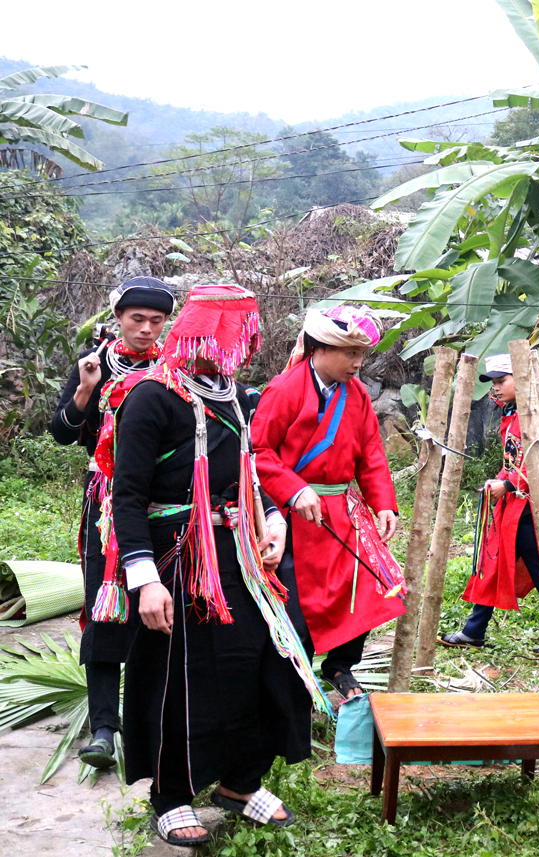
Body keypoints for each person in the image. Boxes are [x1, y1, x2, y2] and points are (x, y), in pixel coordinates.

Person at [112, 284, 329, 847]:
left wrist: (274, 518)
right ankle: (171, 794)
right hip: (176, 557)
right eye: (240, 334)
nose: (248, 346)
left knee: (267, 660)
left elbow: (250, 470)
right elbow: (127, 497)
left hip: (240, 554)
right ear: (206, 333)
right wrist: (145, 580)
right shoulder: (150, 397)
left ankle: (238, 781)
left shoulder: (235, 396)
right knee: (179, 675)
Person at [48, 276, 175, 769]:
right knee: (107, 604)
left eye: (156, 320)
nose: (145, 328)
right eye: (136, 319)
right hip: (105, 502)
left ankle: (157, 710)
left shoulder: (174, 368)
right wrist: (84, 391)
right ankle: (105, 725)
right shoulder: (94, 364)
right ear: (118, 318)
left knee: (159, 596)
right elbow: (61, 433)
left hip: (160, 504)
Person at [252, 305, 406, 700]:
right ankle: (291, 685)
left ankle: (341, 664)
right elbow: (258, 452)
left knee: (369, 588)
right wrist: (294, 489)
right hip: (291, 514)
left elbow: (370, 452)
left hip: (341, 512)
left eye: (361, 354)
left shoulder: (355, 395)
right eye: (349, 353)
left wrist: (384, 504)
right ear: (319, 349)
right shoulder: (284, 389)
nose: (357, 363)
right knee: (297, 605)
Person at [438, 353, 539, 656]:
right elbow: (513, 462)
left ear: (522, 379)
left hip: (529, 509)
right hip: (511, 509)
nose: (496, 388)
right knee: (493, 564)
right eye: (493, 382)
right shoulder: (511, 415)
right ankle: (473, 631)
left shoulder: (536, 417)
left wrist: (506, 484)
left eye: (502, 380)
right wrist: (499, 480)